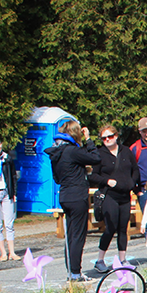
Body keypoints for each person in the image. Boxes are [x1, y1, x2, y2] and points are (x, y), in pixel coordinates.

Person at [46, 120, 101, 282]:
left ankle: (72, 271)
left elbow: (56, 178)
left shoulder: (56, 152)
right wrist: (88, 140)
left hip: (65, 195)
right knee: (78, 236)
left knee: (71, 236)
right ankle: (76, 273)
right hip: (77, 196)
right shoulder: (71, 151)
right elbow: (95, 158)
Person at [89, 125, 139, 273]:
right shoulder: (100, 154)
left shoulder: (126, 151)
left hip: (125, 195)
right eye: (104, 138)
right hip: (110, 195)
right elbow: (92, 175)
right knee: (110, 228)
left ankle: (123, 259)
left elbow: (135, 169)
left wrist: (132, 182)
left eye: (110, 136)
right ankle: (100, 259)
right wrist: (107, 181)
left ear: (116, 136)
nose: (107, 140)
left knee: (123, 229)